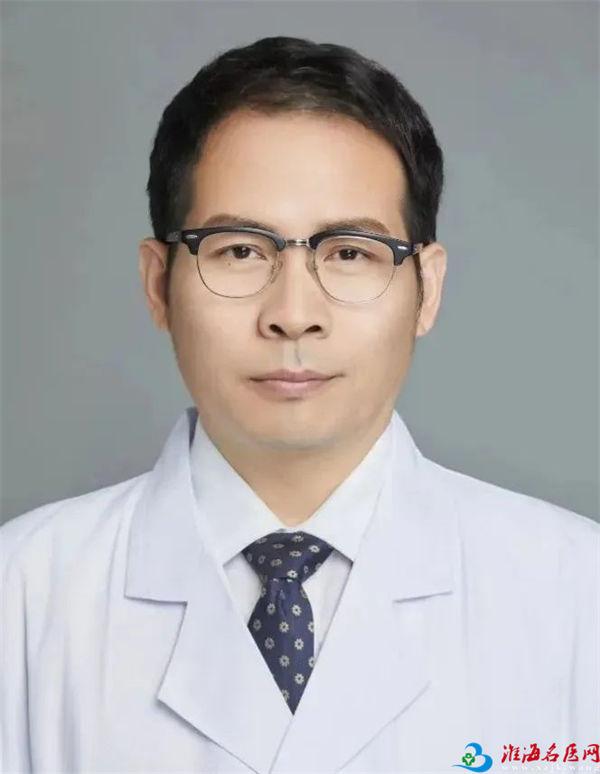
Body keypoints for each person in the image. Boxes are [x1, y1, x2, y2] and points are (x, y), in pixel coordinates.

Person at [2, 35, 598, 774]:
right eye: (239, 250)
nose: (292, 315)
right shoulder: (22, 598)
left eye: (349, 252)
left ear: (428, 290)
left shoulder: (577, 593)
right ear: (158, 285)